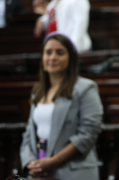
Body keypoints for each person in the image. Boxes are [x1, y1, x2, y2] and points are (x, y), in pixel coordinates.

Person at [20, 32, 103, 180]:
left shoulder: (85, 88)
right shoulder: (38, 91)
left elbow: (88, 132)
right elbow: (29, 134)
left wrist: (54, 161)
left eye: (60, 53)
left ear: (70, 58)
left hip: (73, 172)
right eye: (48, 52)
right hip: (40, 173)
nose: (52, 57)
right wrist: (31, 163)